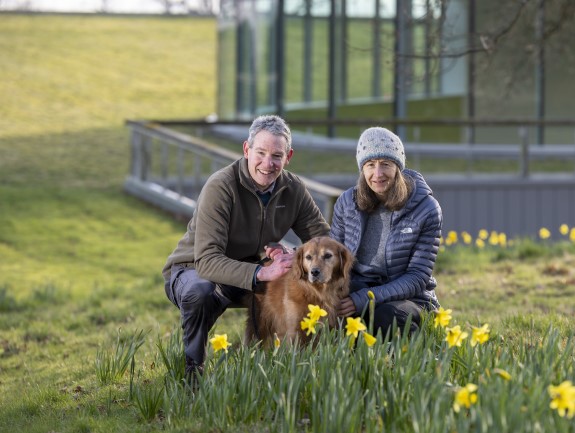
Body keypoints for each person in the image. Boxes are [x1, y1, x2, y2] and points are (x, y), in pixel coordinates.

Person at [162, 115, 330, 380]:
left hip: (249, 270)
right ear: (246, 149)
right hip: (192, 270)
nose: (267, 163)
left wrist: (294, 255)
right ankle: (193, 375)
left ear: (289, 157)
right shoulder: (221, 186)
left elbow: (323, 241)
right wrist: (261, 274)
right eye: (260, 153)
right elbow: (206, 260)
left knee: (296, 285)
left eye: (277, 155)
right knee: (200, 293)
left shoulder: (293, 188)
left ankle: (276, 369)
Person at [331, 126, 442, 337]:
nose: (378, 173)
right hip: (356, 291)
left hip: (408, 299)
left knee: (384, 316)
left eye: (386, 164)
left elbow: (417, 277)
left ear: (398, 167)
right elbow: (334, 261)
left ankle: (414, 354)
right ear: (362, 169)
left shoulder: (426, 209)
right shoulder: (347, 203)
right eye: (370, 165)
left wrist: (363, 299)